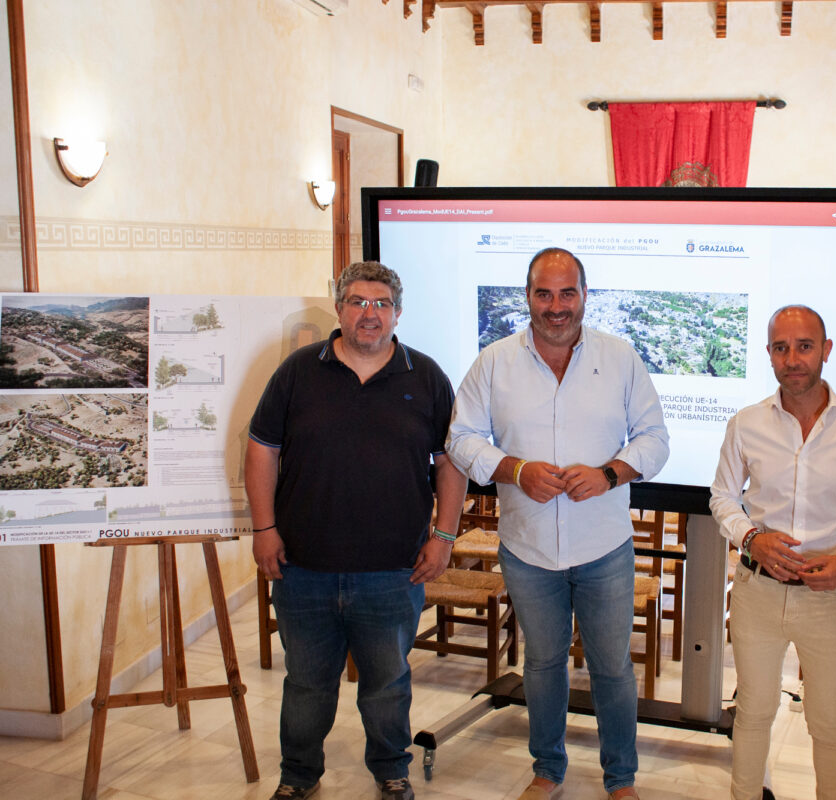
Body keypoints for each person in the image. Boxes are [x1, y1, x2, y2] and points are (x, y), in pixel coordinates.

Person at [447, 247, 669, 800]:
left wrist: (611, 474)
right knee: (543, 665)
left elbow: (655, 439)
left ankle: (621, 779)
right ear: (527, 296)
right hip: (528, 550)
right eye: (543, 293)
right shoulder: (493, 362)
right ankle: (547, 771)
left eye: (567, 293)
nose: (556, 306)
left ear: (584, 296)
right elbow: (461, 437)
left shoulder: (621, 358)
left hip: (604, 547)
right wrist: (513, 469)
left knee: (613, 669)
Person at [246, 261, 467, 800]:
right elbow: (261, 450)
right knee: (305, 685)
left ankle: (392, 771)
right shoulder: (297, 372)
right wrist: (263, 528)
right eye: (358, 303)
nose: (370, 315)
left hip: (393, 570)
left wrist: (444, 537)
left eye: (381, 304)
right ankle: (298, 777)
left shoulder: (427, 377)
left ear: (397, 312)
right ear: (338, 306)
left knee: (387, 686)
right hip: (303, 567)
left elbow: (451, 462)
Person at [709, 304, 836, 800]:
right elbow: (723, 497)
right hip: (758, 594)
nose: (793, 359)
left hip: (830, 598)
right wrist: (751, 538)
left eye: (804, 346)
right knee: (752, 712)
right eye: (781, 348)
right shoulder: (746, 424)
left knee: (829, 721)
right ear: (769, 354)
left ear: (826, 351)